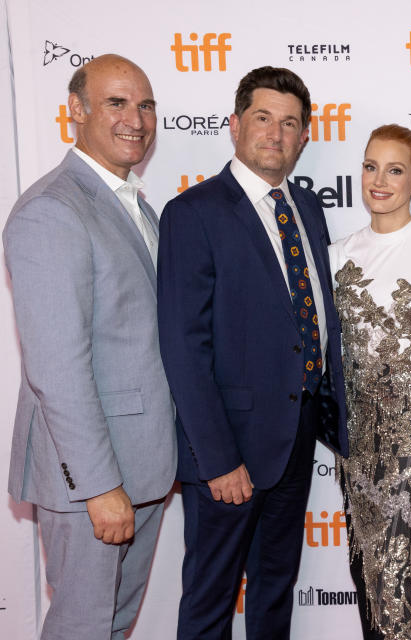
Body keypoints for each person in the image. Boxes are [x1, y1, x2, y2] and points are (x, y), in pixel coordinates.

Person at [157, 66, 348, 639]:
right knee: (211, 599)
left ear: (304, 137)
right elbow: (184, 348)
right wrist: (217, 460)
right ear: (235, 125)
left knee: (274, 592)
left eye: (290, 123)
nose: (276, 132)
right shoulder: (194, 213)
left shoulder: (308, 210)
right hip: (228, 454)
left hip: (294, 439)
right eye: (263, 118)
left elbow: (315, 318)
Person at [3, 54, 175, 639]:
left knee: (114, 625)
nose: (136, 119)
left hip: (142, 464)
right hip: (92, 480)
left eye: (146, 104)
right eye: (116, 102)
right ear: (75, 110)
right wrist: (101, 487)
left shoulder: (131, 201)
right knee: (82, 626)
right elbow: (57, 367)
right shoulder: (54, 210)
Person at [330, 124, 411, 640]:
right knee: (367, 573)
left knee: (408, 571)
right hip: (357, 444)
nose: (379, 181)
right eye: (370, 167)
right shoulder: (337, 254)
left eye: (394, 169)